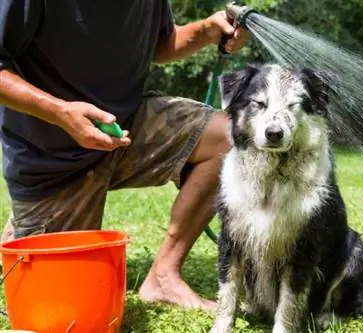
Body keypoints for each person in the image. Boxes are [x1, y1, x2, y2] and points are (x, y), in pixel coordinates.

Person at [0, 1, 250, 310]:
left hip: (124, 127)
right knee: (69, 303)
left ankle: (163, 276)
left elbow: (160, 44)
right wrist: (60, 112)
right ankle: (29, 224)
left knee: (231, 135)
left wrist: (206, 31)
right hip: (53, 158)